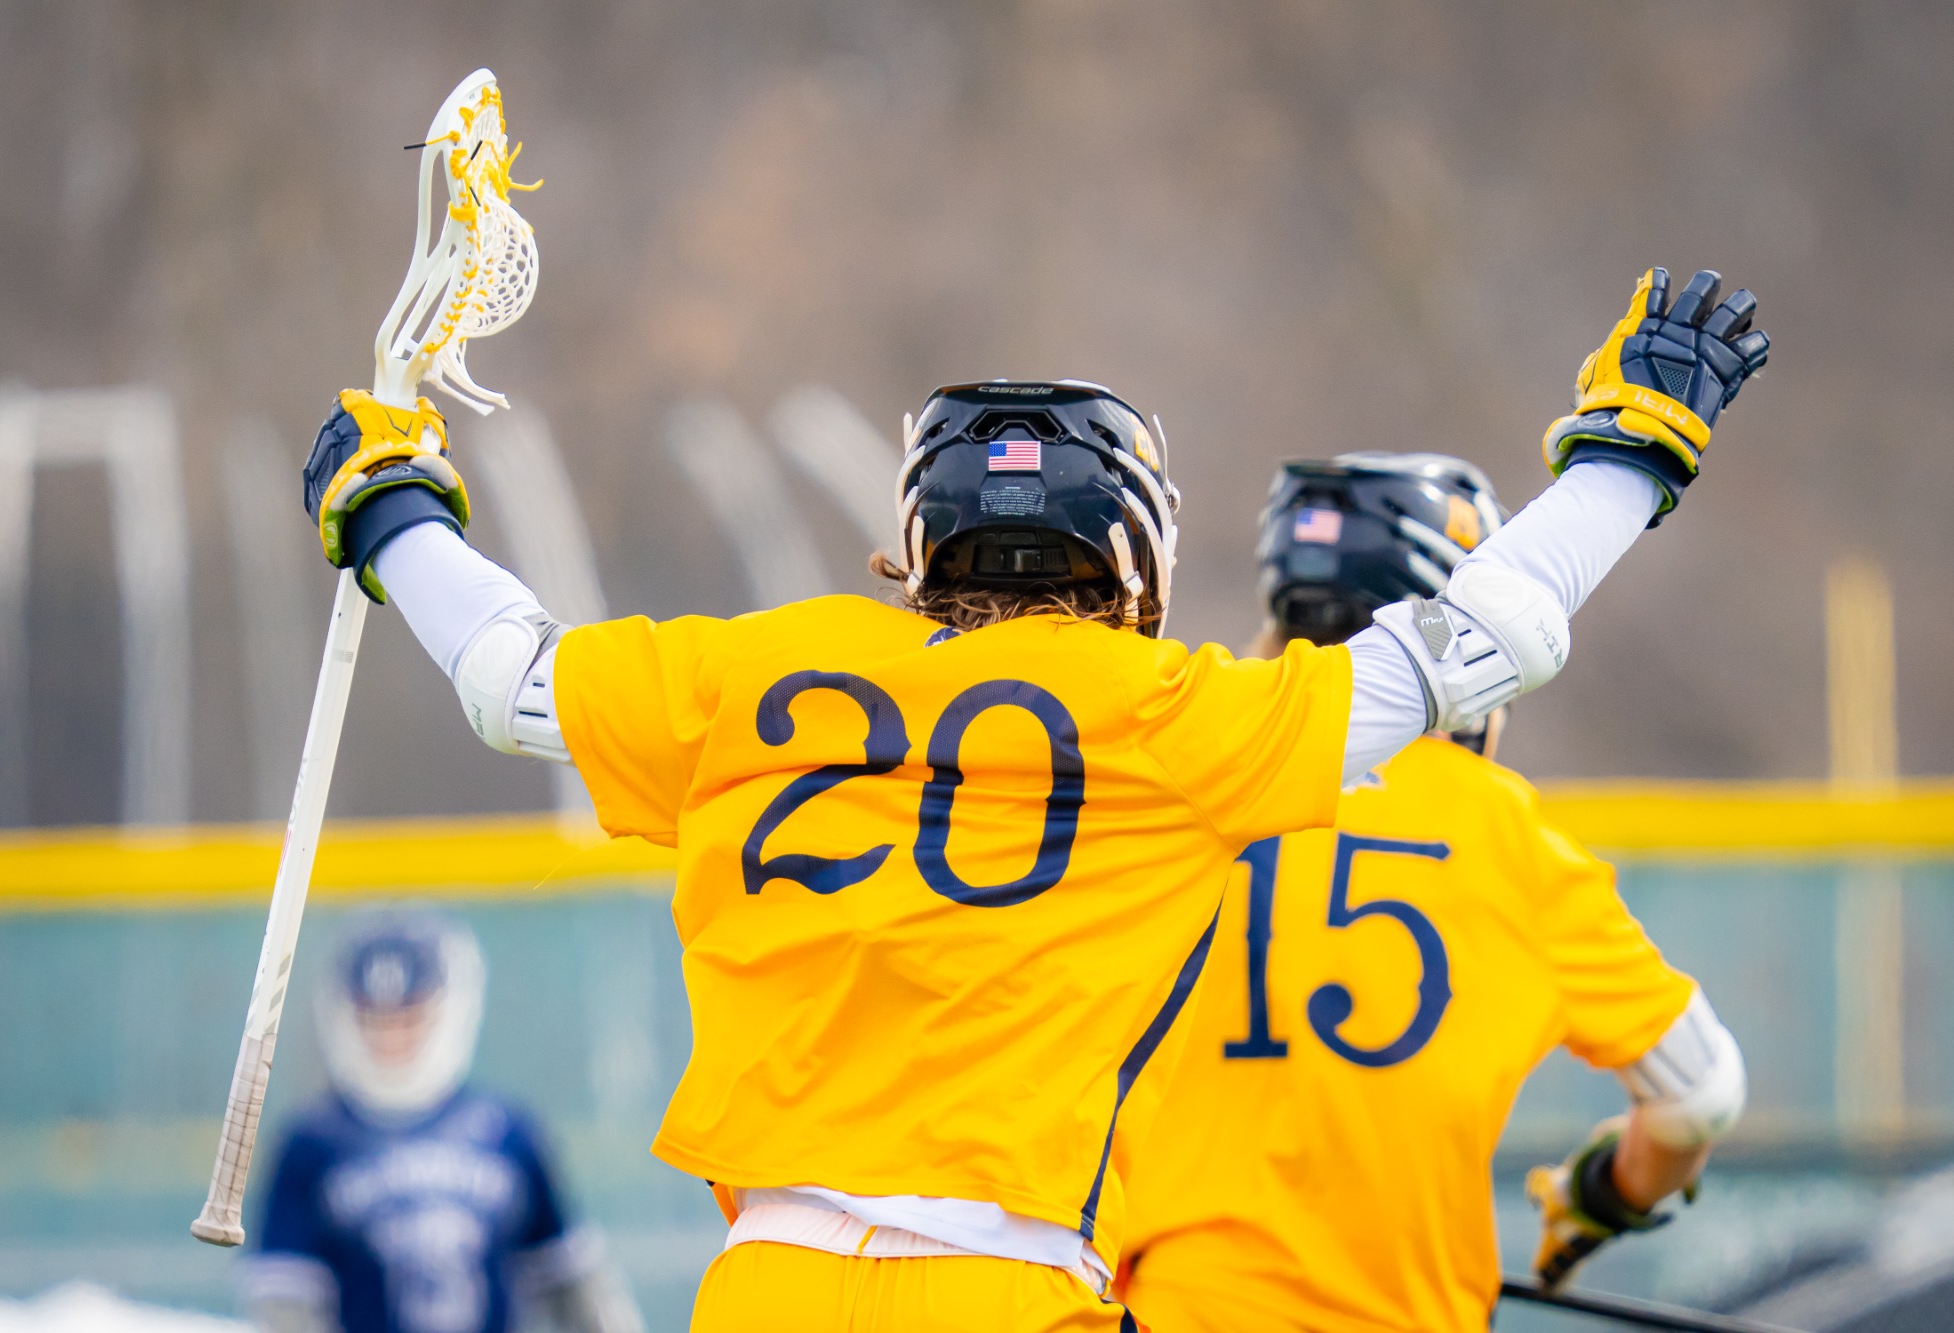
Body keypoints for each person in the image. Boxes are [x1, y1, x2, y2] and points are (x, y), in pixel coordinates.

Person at [292, 267, 1766, 1331]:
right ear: (1138, 551)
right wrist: (1634, 450)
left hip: (765, 1285)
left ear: (919, 530)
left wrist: (393, 510)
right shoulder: (1177, 721)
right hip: (1012, 1286)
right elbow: (1472, 640)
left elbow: (510, 679)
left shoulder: (757, 670)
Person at [1111, 451, 1749, 1333]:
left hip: (1175, 1309)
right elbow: (1700, 1095)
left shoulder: (1176, 785)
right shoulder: (1507, 834)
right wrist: (1599, 1196)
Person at [241, 910, 640, 1333]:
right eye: (376, 1022)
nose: (391, 1039)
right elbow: (286, 1308)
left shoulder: (509, 1133)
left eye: (408, 1020)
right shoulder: (310, 1143)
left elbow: (573, 1287)